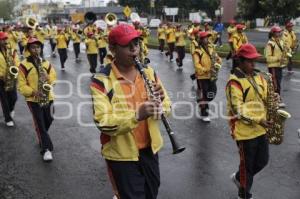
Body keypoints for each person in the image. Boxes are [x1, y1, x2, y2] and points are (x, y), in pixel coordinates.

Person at [90, 24, 171, 199]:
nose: (134, 48)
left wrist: (161, 104)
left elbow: (168, 107)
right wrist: (137, 115)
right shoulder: (101, 81)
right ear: (112, 49)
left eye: (136, 43)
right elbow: (103, 122)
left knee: (152, 192)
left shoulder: (148, 72)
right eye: (127, 45)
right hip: (121, 156)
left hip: (149, 150)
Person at [226, 43, 270, 199]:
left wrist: (274, 99)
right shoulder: (234, 82)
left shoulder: (259, 77)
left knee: (263, 161)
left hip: (261, 128)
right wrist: (259, 119)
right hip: (244, 132)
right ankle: (243, 194)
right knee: (247, 167)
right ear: (241, 62)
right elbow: (238, 109)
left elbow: (265, 96)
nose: (253, 64)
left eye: (254, 61)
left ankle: (239, 178)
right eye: (250, 61)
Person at [18, 37, 57, 162]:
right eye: (33, 47)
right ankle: (46, 149)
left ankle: (41, 135)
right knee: (40, 123)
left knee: (49, 119)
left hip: (48, 96)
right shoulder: (23, 65)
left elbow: (53, 77)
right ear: (29, 49)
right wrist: (33, 92)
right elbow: (21, 85)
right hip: (33, 100)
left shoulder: (46, 62)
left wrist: (48, 78)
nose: (36, 50)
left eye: (38, 47)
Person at [192, 31, 222, 122]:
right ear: (201, 40)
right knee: (204, 95)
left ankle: (200, 101)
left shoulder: (211, 48)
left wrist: (218, 63)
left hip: (211, 75)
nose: (207, 39)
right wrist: (206, 70)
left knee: (212, 93)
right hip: (202, 77)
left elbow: (218, 58)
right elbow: (197, 65)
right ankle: (204, 113)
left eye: (207, 37)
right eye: (205, 38)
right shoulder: (197, 51)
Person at [264, 26, 291, 108]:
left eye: (280, 32)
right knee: (275, 85)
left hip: (279, 66)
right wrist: (279, 58)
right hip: (273, 67)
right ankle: (276, 101)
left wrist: (287, 51)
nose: (279, 33)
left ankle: (276, 99)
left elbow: (284, 50)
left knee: (278, 84)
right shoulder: (270, 44)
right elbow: (267, 58)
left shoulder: (280, 41)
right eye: (277, 32)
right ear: (273, 33)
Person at [0, 31, 20, 127]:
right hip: (1, 79)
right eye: (2, 39)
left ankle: (11, 109)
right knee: (4, 100)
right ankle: (7, 118)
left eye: (5, 39)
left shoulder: (11, 50)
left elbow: (16, 60)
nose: (5, 41)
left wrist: (15, 69)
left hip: (11, 77)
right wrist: (1, 75)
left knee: (14, 98)